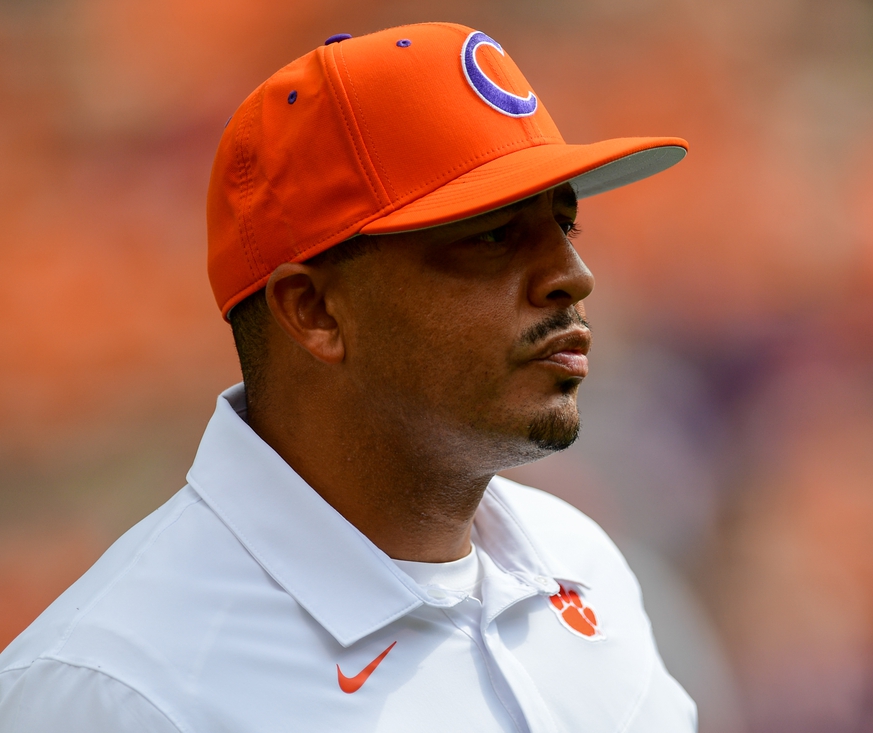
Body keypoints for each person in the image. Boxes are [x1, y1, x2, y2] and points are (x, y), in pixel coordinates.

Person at [0, 22, 692, 732]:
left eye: (564, 226)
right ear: (315, 310)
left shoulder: (584, 562)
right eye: (491, 235)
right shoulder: (117, 690)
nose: (573, 277)